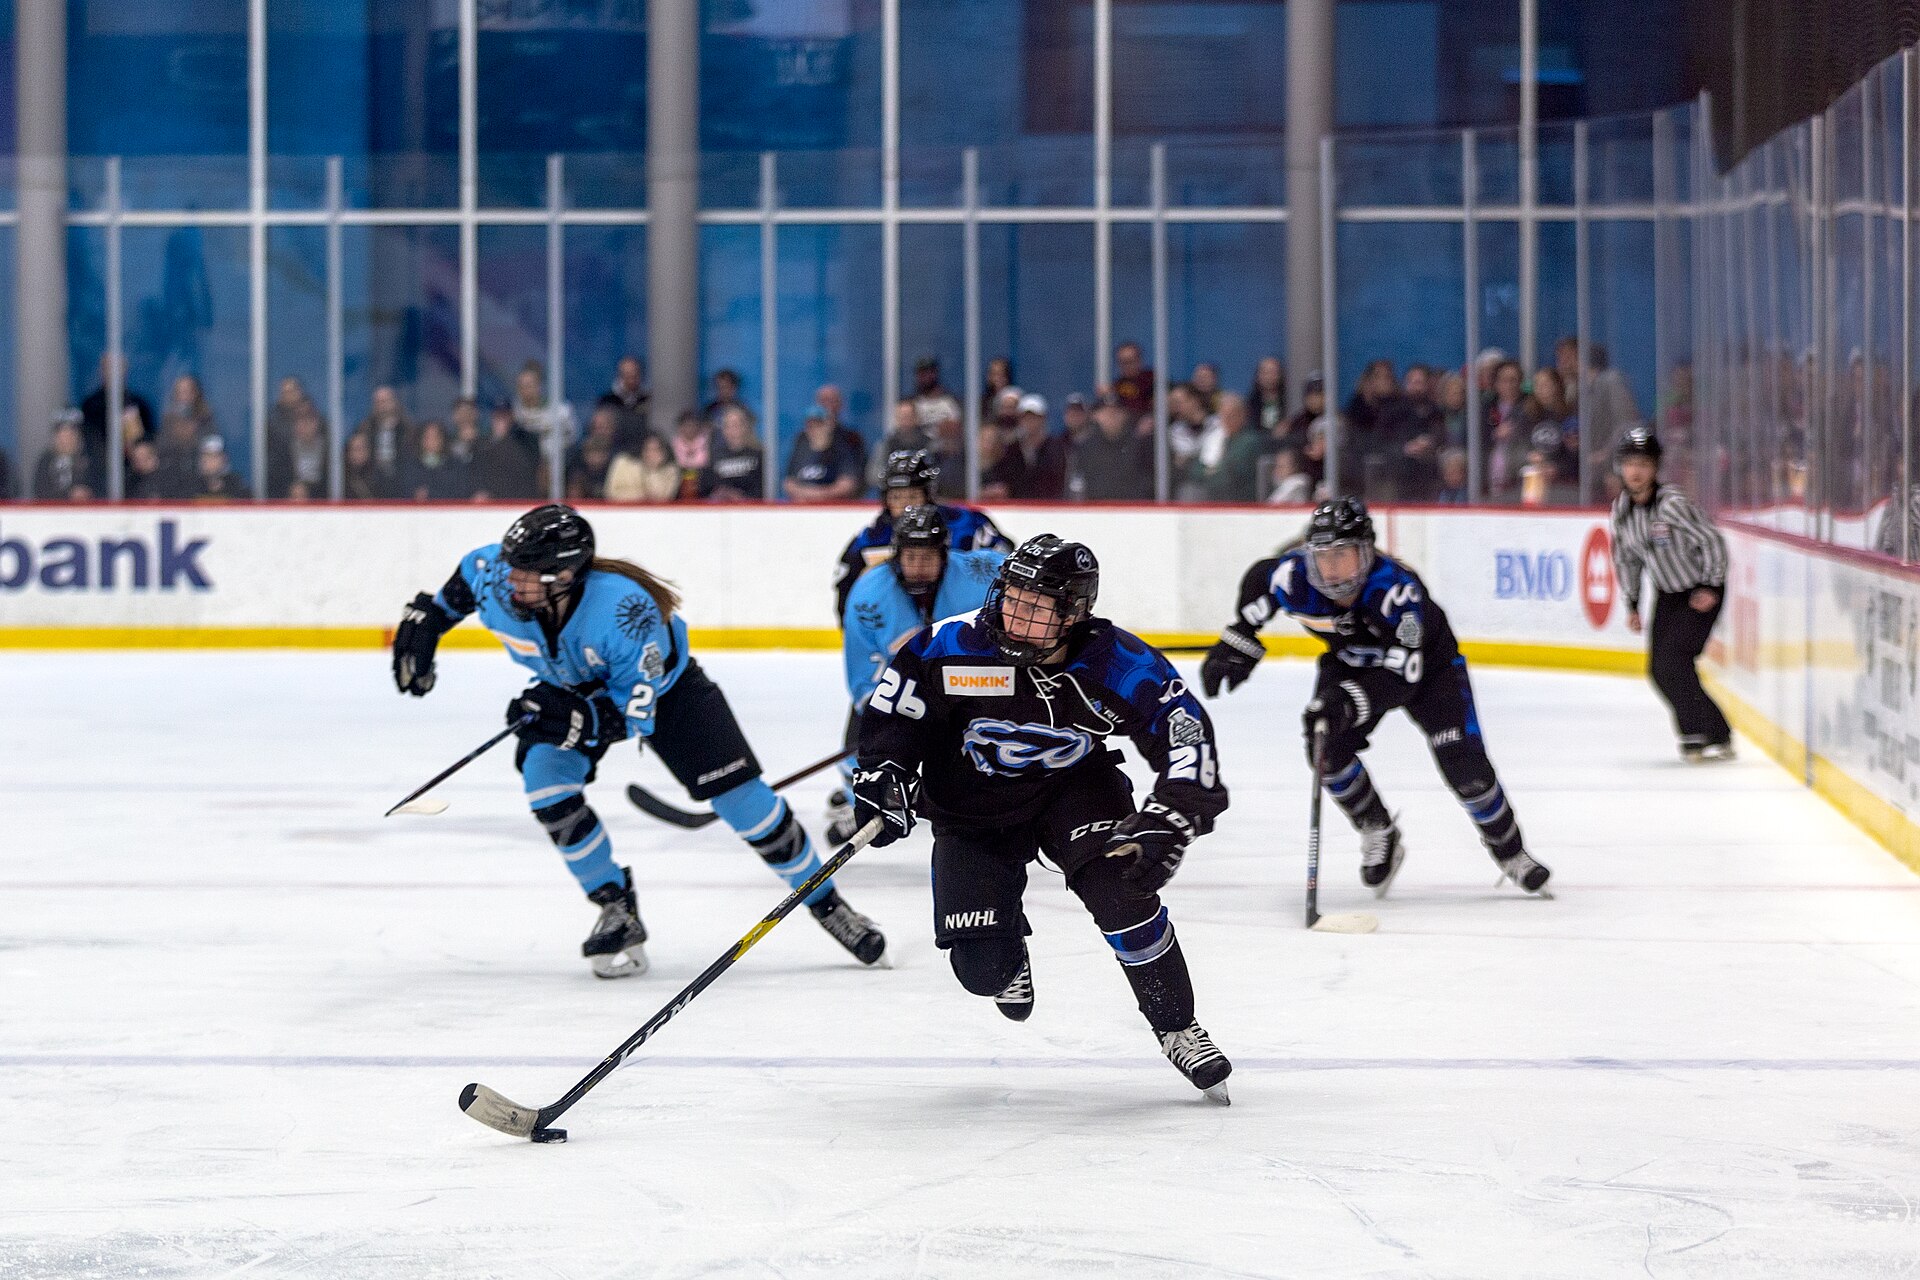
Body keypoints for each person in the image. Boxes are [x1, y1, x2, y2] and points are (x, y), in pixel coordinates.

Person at [389, 504, 889, 978]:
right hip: (571, 689)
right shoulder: (499, 575)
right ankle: (615, 906)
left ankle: (827, 904)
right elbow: (463, 583)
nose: (508, 580)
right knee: (546, 786)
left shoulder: (626, 611)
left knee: (745, 803)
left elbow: (634, 714)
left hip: (669, 696)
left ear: (563, 577)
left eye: (524, 573)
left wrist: (573, 720)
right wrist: (430, 623)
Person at [852, 534, 1234, 1100]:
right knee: (982, 970)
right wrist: (884, 775)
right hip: (970, 804)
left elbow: (1184, 732)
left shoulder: (1116, 660)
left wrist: (1174, 812)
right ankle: (1008, 949)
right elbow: (895, 714)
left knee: (1121, 886)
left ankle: (1176, 1023)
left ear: (1075, 613)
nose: (1015, 614)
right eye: (1012, 596)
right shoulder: (948, 645)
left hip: (1074, 790)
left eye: (1037, 607)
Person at [1200, 498, 1552, 897]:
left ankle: (1511, 853)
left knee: (1465, 768)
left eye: (1343, 557)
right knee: (1325, 749)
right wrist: (1238, 641)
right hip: (1350, 663)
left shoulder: (1396, 591)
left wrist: (1347, 702)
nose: (1332, 571)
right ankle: (1376, 827)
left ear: (1367, 554)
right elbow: (1259, 580)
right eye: (1323, 558)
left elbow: (1404, 675)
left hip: (1431, 672)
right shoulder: (1292, 577)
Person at [830, 505, 1007, 841]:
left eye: (927, 558)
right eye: (910, 558)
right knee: (864, 741)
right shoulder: (868, 596)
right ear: (896, 556)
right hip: (902, 683)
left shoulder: (979, 574)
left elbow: (1018, 582)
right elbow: (865, 673)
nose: (918, 568)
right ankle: (865, 804)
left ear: (945, 554)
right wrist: (890, 711)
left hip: (972, 686)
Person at [1609, 427, 1734, 762]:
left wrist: (1710, 585)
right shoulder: (1621, 511)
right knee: (1658, 669)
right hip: (1668, 593)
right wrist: (1633, 603)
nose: (1635, 471)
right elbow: (1627, 559)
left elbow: (1711, 540)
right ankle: (1714, 731)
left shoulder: (1673, 505)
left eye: (1643, 464)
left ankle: (1699, 732)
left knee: (1673, 662)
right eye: (1630, 463)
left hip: (1700, 590)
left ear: (1655, 469)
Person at [832, 449, 1014, 622]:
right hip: (903, 635)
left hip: (963, 627)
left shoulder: (966, 525)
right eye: (896, 498)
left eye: (912, 497)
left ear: (928, 495)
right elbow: (846, 586)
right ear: (886, 500)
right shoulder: (872, 539)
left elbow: (1007, 567)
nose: (905, 507)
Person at [980, 394, 1068, 500]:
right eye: (1026, 417)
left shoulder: (1055, 448)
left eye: (1034, 417)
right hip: (1018, 508)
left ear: (1043, 418)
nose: (1030, 421)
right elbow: (1002, 480)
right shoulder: (1012, 450)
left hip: (1049, 508)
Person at [784, 408, 866, 502]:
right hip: (803, 508)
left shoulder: (841, 449)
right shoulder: (801, 450)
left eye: (819, 424)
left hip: (833, 509)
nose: (814, 429)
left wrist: (819, 495)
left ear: (829, 425)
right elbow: (789, 482)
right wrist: (804, 493)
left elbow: (848, 484)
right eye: (810, 425)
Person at [704, 404, 766, 501]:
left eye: (736, 425)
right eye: (728, 426)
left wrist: (741, 498)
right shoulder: (715, 455)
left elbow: (763, 489)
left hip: (751, 509)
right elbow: (707, 488)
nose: (733, 430)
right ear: (724, 430)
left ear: (745, 427)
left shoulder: (758, 454)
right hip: (722, 510)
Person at [33, 410, 97, 500]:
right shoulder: (45, 462)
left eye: (71, 434)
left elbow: (102, 487)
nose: (66, 440)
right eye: (62, 434)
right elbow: (40, 491)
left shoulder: (91, 460)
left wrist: (87, 493)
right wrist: (68, 495)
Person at [603, 433, 681, 503]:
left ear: (664, 452)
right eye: (648, 449)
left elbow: (661, 498)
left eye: (656, 450)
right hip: (622, 512)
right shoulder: (623, 462)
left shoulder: (671, 471)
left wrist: (653, 469)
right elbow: (610, 493)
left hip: (655, 515)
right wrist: (641, 496)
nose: (651, 453)